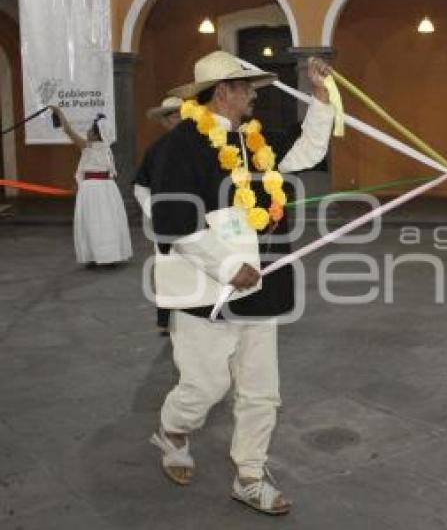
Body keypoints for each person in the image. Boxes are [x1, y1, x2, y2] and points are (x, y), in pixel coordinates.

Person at [147, 50, 334, 515]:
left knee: (260, 390)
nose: (254, 94)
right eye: (247, 86)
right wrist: (228, 268)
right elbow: (173, 220)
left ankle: (250, 474)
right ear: (223, 92)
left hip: (263, 284)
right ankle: (173, 429)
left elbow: (307, 151)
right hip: (205, 291)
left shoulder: (255, 139)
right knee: (204, 388)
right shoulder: (180, 146)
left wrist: (321, 98)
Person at [50, 106, 132, 267]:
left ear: (95, 134)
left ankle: (96, 255)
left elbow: (68, 130)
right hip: (108, 189)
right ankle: (109, 255)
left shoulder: (88, 146)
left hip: (93, 191)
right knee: (107, 221)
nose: (87, 132)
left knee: (92, 222)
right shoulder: (106, 149)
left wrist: (59, 112)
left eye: (89, 130)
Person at [135, 96, 183, 335]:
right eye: (171, 115)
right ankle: (165, 319)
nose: (177, 118)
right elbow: (140, 186)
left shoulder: (204, 144)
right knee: (166, 269)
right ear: (164, 121)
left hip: (199, 221)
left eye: (180, 113)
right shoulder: (155, 150)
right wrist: (155, 212)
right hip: (165, 223)